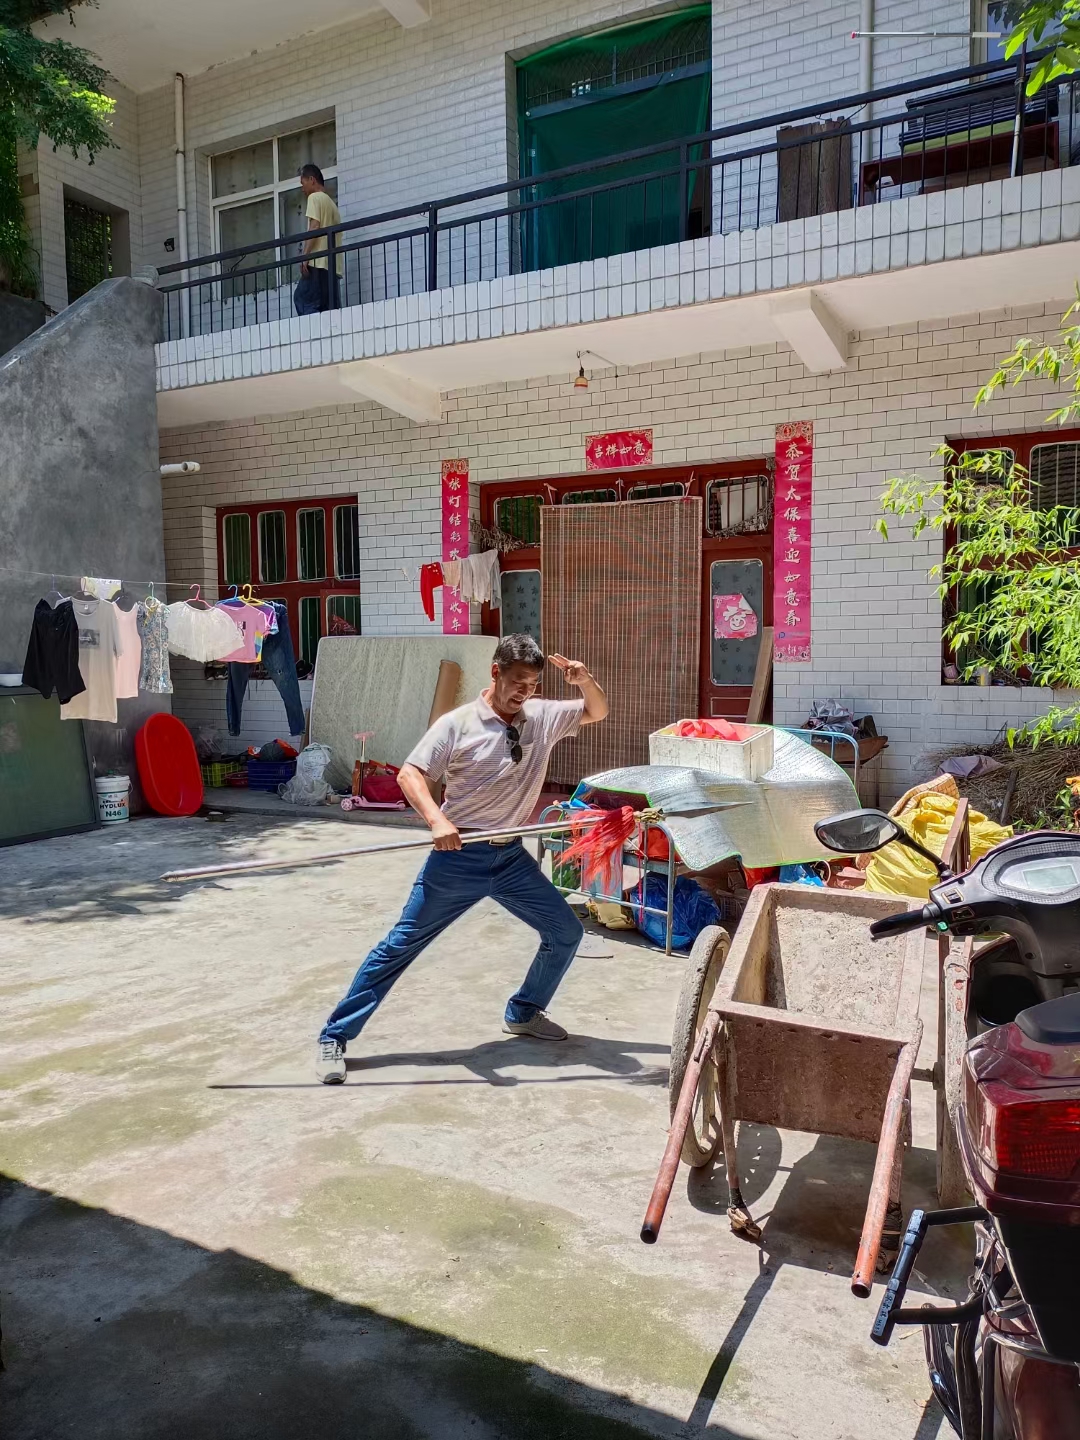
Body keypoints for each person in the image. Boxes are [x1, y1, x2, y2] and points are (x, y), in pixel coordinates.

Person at [316, 634, 609, 1083]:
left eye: (532, 684)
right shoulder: (457, 724)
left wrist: (584, 680)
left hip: (510, 857)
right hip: (458, 858)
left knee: (565, 932)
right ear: (495, 672)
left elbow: (597, 711)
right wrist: (437, 820)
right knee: (400, 945)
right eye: (517, 681)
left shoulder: (542, 717)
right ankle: (334, 1036)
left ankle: (523, 1011)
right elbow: (410, 774)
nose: (524, 691)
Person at [293, 163, 341, 316]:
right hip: (332, 268)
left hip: (318, 263)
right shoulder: (332, 205)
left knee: (302, 299)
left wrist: (305, 257)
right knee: (329, 312)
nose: (302, 188)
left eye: (303, 183)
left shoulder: (314, 198)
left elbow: (314, 227)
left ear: (312, 180)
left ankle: (312, 331)